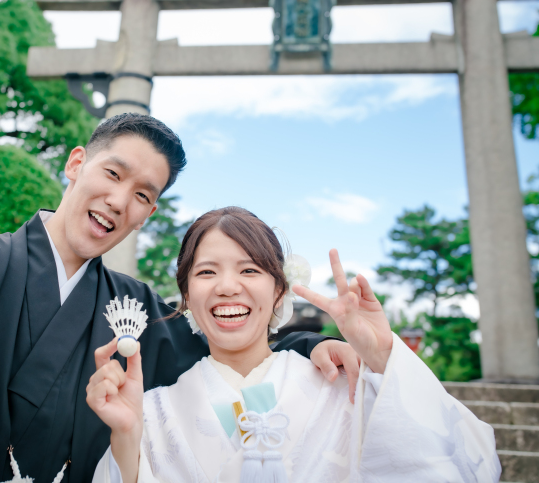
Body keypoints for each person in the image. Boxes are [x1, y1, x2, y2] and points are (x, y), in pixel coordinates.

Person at [0, 94, 362, 483]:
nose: (118, 200)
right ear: (76, 163)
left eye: (141, 194)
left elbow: (227, 345)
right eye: (112, 173)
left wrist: (311, 345)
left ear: (148, 213)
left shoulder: (136, 309)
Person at [88, 207, 501, 483]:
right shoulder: (155, 410)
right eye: (207, 272)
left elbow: (465, 458)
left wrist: (381, 355)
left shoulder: (345, 384)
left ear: (279, 291)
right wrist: (126, 436)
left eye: (249, 269)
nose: (227, 287)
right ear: (187, 296)